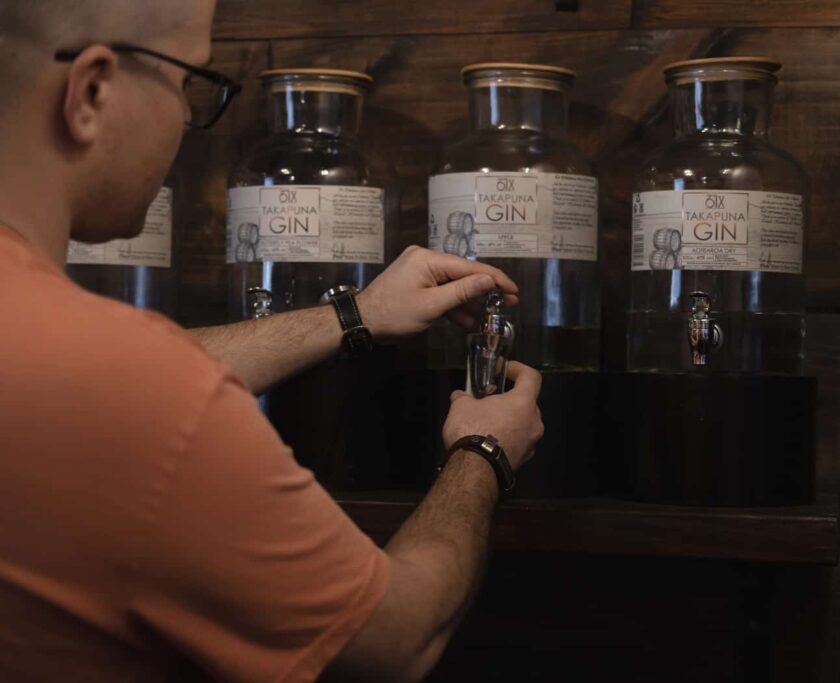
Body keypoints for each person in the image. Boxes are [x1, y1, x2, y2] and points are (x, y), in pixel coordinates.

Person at [0, 1, 545, 681]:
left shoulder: (86, 367)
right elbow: (395, 637)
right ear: (91, 92)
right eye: (186, 81)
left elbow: (99, 378)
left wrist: (355, 313)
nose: (184, 117)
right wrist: (483, 450)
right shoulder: (142, 397)